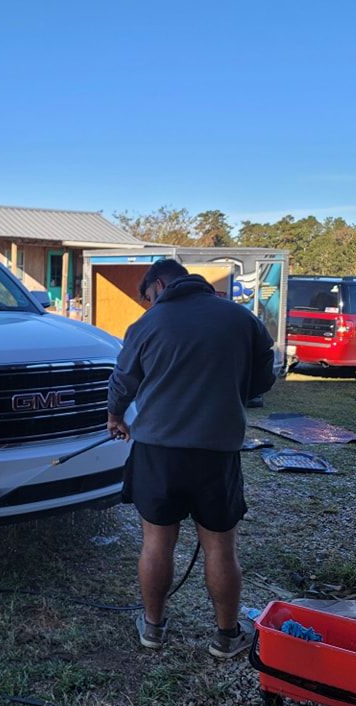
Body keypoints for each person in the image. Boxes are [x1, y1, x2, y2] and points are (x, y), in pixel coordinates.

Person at [106, 259, 276, 658]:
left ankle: (152, 629)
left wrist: (115, 415)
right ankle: (226, 636)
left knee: (156, 543)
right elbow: (264, 377)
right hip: (216, 455)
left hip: (158, 454)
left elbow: (123, 379)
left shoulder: (147, 325)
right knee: (220, 547)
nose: (150, 306)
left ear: (160, 284)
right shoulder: (241, 318)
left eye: (148, 298)